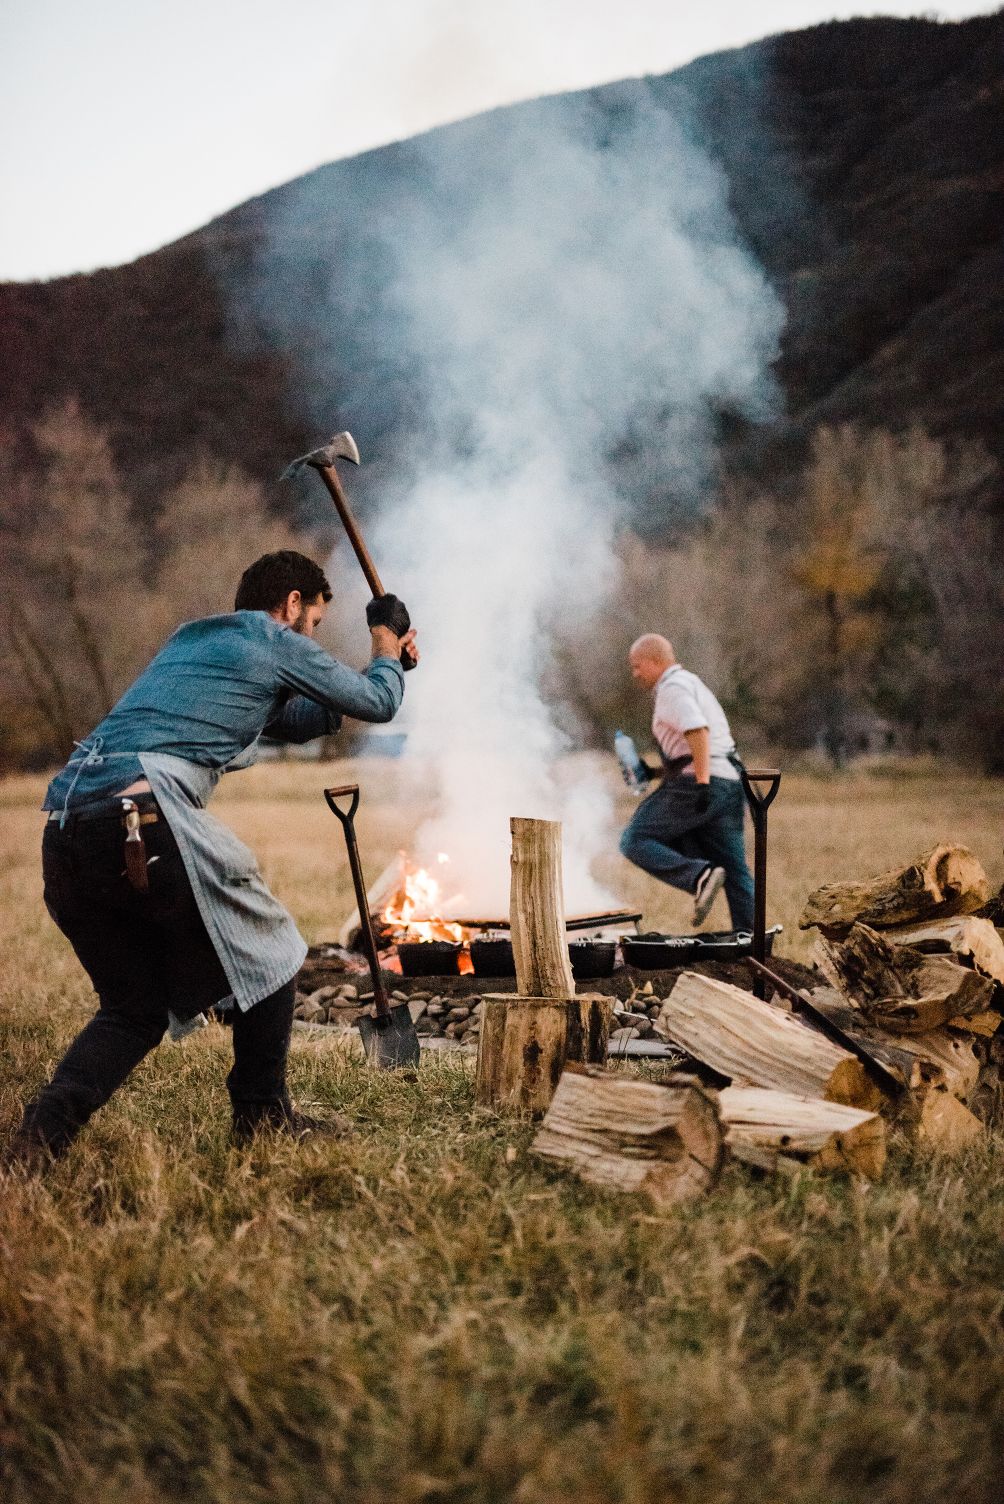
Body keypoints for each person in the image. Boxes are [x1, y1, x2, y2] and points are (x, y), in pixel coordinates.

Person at [5, 550, 417, 1169]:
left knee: (132, 1011)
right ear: (292, 604)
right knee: (275, 948)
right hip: (139, 819)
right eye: (310, 626)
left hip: (65, 831)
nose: (308, 639)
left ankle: (33, 1147)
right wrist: (387, 646)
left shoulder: (197, 645)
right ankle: (261, 1118)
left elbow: (300, 717)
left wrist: (378, 671)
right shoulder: (271, 636)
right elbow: (377, 704)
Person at [618, 634, 754, 932]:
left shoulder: (672, 688)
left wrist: (703, 783)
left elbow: (697, 732)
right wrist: (650, 772)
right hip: (729, 782)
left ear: (655, 661)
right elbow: (690, 751)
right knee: (735, 870)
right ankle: (752, 945)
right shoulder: (690, 682)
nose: (635, 673)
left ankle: (699, 876)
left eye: (637, 666)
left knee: (634, 840)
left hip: (702, 784)